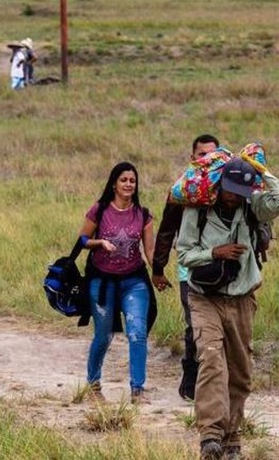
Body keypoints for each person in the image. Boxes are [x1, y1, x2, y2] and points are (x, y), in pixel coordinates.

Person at [177, 158, 279, 460]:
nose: (233, 196)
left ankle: (231, 435)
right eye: (229, 190)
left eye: (239, 190)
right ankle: (210, 435)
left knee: (241, 373)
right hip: (205, 297)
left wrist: (262, 171)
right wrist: (214, 253)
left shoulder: (252, 206)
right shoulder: (198, 211)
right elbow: (185, 254)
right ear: (219, 185)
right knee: (212, 360)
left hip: (242, 297)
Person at [79, 162, 157, 404]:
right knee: (103, 336)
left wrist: (161, 273)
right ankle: (93, 386)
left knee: (137, 333)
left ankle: (138, 389)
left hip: (134, 281)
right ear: (114, 183)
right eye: (123, 180)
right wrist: (99, 242)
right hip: (102, 282)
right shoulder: (99, 210)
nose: (128, 184)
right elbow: (82, 239)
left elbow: (150, 252)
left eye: (132, 180)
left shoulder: (143, 214)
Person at [152, 134, 220, 401]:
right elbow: (167, 229)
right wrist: (158, 268)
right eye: (202, 154)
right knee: (195, 326)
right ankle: (191, 375)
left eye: (212, 154)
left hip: (222, 266)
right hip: (189, 269)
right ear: (192, 158)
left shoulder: (226, 186)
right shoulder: (183, 190)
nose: (207, 159)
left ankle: (213, 379)